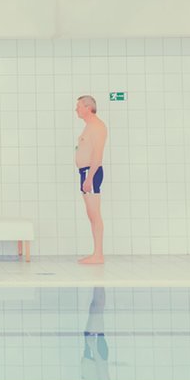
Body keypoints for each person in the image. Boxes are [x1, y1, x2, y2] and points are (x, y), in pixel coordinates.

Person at [75, 95, 108, 264]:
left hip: (91, 172)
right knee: (91, 214)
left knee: (95, 214)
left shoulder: (97, 126)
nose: (76, 110)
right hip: (86, 172)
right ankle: (96, 253)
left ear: (88, 107)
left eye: (79, 106)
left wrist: (90, 178)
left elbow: (97, 154)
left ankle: (98, 255)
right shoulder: (89, 127)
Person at [81, 287, 114, 380]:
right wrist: (93, 347)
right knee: (97, 311)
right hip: (96, 353)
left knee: (94, 310)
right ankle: (100, 281)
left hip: (92, 352)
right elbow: (102, 372)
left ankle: (98, 282)